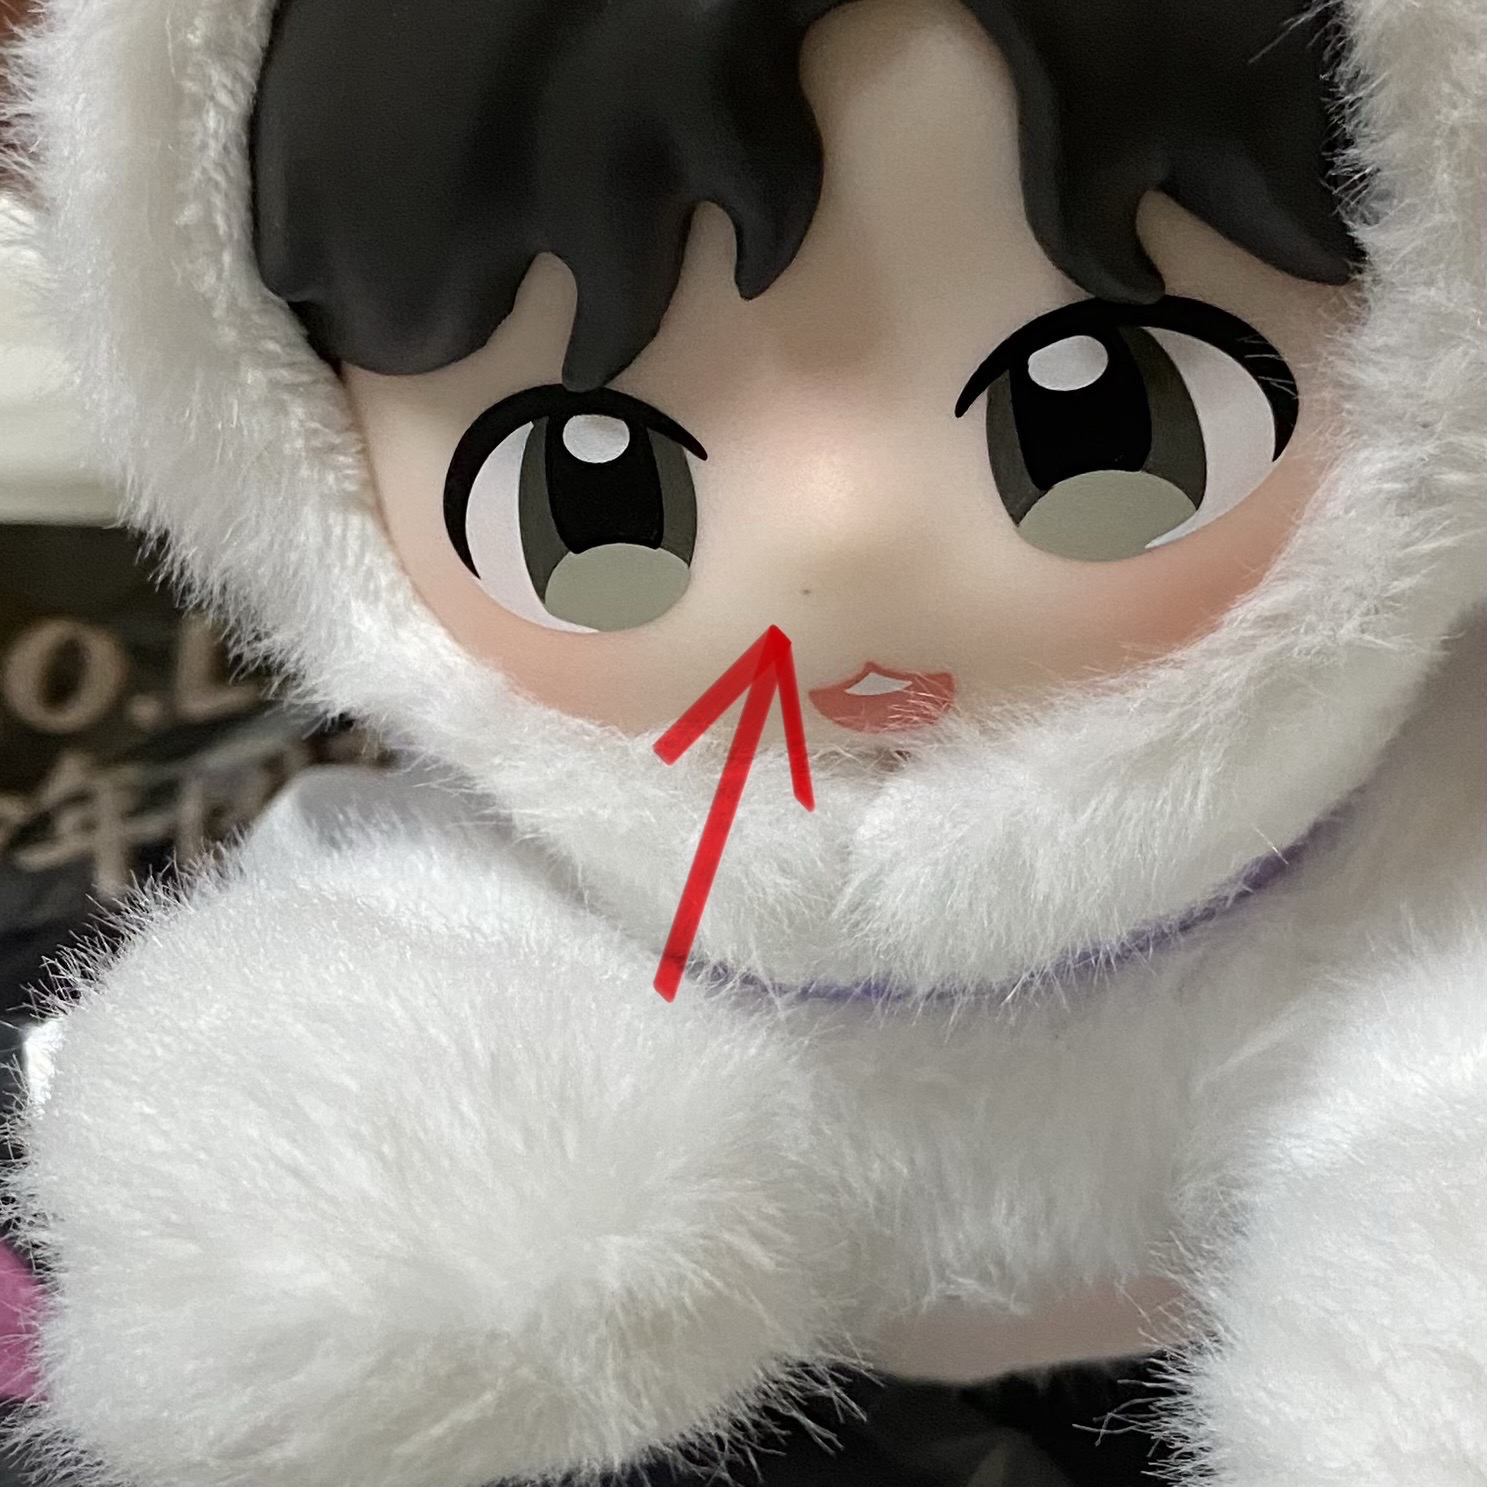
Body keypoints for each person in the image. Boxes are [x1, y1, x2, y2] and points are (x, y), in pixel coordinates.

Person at [6, 0, 1484, 1483]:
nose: (839, 547)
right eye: (592, 492)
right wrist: (384, 1209)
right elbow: (381, 986)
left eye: (1100, 417)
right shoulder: (545, 862)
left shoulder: (1419, 819)